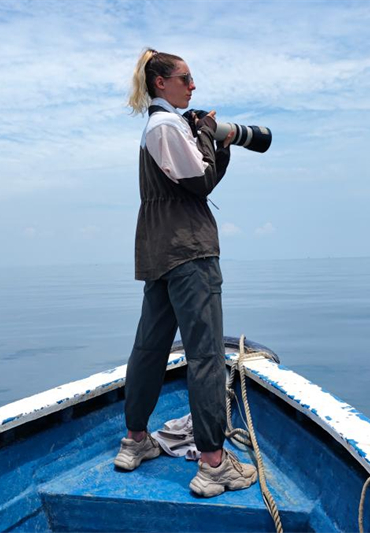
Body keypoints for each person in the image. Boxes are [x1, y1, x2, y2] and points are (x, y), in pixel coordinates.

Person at [113, 48, 258, 498]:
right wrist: (219, 141)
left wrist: (206, 139)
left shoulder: (156, 128)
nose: (192, 86)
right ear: (161, 83)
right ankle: (214, 463)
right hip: (189, 250)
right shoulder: (167, 125)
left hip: (157, 249)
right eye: (185, 79)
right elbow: (200, 183)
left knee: (149, 348)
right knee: (206, 355)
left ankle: (135, 441)